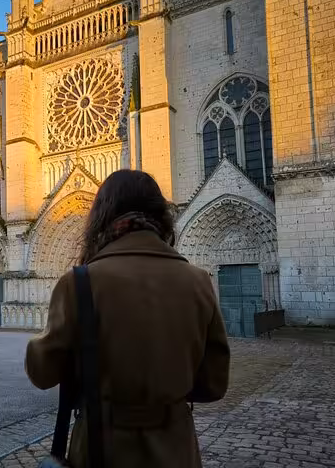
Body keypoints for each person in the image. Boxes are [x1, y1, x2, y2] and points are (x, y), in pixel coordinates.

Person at [25, 169, 230, 468]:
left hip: (102, 448)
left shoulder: (79, 282)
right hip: (175, 450)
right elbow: (213, 385)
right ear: (161, 215)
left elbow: (42, 373)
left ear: (102, 215)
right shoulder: (199, 281)